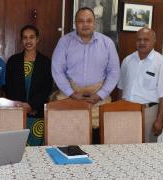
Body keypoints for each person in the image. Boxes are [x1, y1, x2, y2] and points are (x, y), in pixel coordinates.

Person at [51, 7, 120, 144]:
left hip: (99, 98)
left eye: (89, 21)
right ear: (75, 24)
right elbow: (57, 70)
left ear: (95, 23)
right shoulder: (64, 42)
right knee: (67, 140)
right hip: (69, 96)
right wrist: (71, 93)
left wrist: (100, 95)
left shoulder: (107, 43)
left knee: (97, 143)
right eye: (81, 21)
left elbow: (114, 72)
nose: (85, 24)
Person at [117, 27, 163, 143]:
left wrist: (159, 120)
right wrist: (118, 110)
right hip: (126, 111)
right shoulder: (127, 61)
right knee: (123, 146)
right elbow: (121, 89)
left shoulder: (162, 63)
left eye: (146, 39)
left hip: (148, 113)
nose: (142, 42)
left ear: (154, 41)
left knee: (145, 150)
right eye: (139, 39)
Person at [4, 25, 53, 146]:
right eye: (25, 38)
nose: (28, 41)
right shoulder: (13, 61)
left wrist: (31, 106)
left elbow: (47, 88)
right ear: (21, 40)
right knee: (16, 148)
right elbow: (8, 87)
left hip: (37, 114)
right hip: (17, 113)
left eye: (32, 37)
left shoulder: (45, 62)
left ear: (37, 39)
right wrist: (22, 106)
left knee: (36, 151)